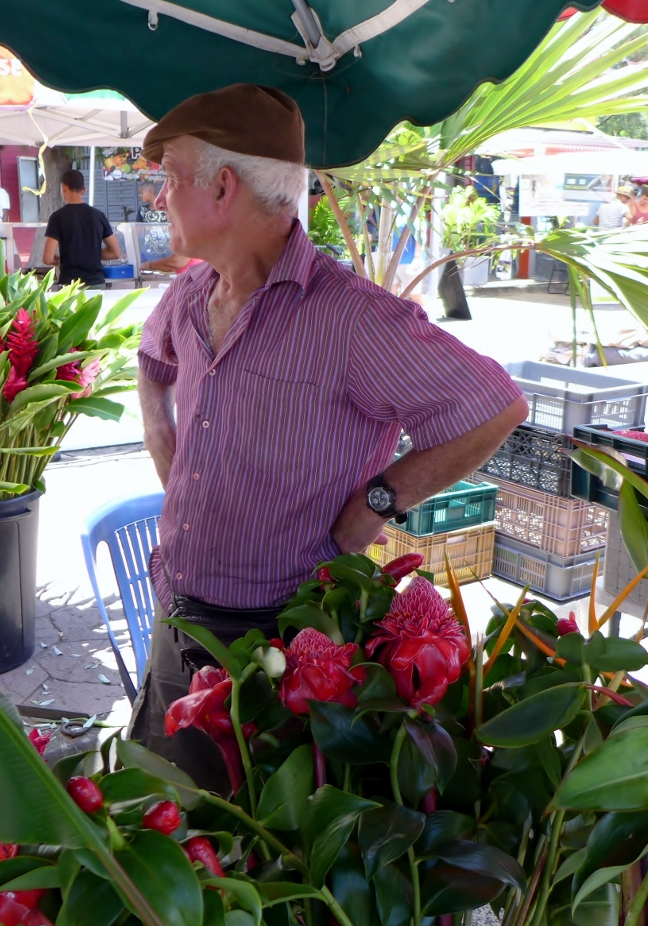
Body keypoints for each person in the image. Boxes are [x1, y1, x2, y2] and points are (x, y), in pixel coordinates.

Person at [130, 83, 529, 790]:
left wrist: (379, 498)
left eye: (171, 178)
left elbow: (493, 405)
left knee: (258, 859)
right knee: (171, 826)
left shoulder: (349, 318)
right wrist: (167, 449)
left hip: (284, 642)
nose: (160, 198)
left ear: (224, 187)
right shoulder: (190, 295)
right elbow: (152, 363)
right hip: (179, 618)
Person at [42, 169, 120, 286]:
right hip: (96, 283)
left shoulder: (57, 217)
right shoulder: (99, 216)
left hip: (69, 285)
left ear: (63, 188)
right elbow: (115, 253)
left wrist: (61, 259)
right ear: (84, 190)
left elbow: (47, 258)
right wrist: (90, 253)